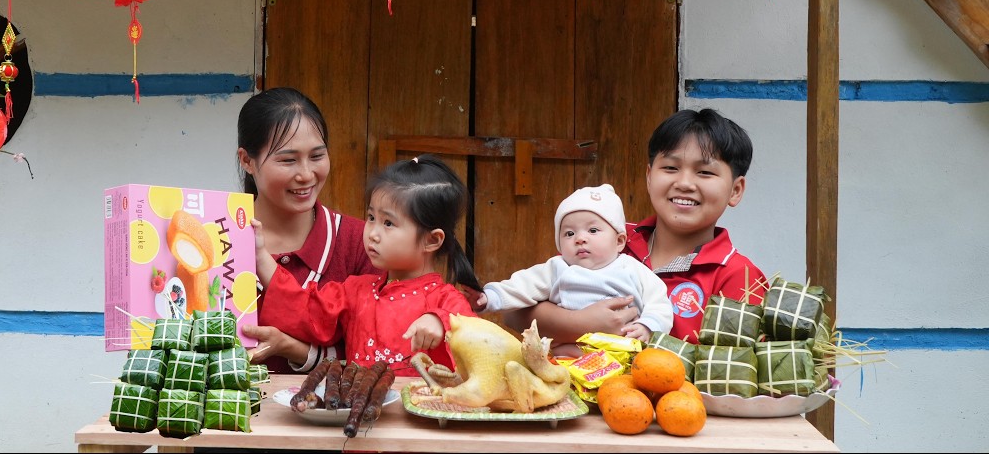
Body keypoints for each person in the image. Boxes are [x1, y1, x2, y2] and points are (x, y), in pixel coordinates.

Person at [505, 108, 767, 344]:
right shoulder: (606, 238)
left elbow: (739, 365)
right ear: (649, 177)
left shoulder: (740, 277)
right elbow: (514, 313)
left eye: (705, 172)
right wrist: (581, 323)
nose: (684, 183)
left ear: (735, 190)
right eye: (671, 167)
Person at [254, 155, 481, 376]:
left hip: (418, 403)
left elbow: (480, 343)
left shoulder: (446, 300)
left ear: (432, 240)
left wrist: (442, 322)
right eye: (371, 218)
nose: (372, 233)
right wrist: (261, 256)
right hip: (359, 402)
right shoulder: (355, 290)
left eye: (388, 223)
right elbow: (306, 309)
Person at [235, 87, 380, 375]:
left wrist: (293, 349)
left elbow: (377, 353)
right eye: (288, 160)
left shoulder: (363, 243)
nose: (306, 174)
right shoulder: (217, 237)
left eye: (317, 156)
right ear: (247, 161)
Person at [467, 183, 671, 356]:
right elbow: (522, 286)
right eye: (569, 233)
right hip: (570, 353)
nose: (580, 238)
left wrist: (647, 325)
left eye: (593, 230)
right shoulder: (558, 268)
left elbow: (658, 302)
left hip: (622, 353)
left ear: (619, 241)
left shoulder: (632, 268)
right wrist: (490, 297)